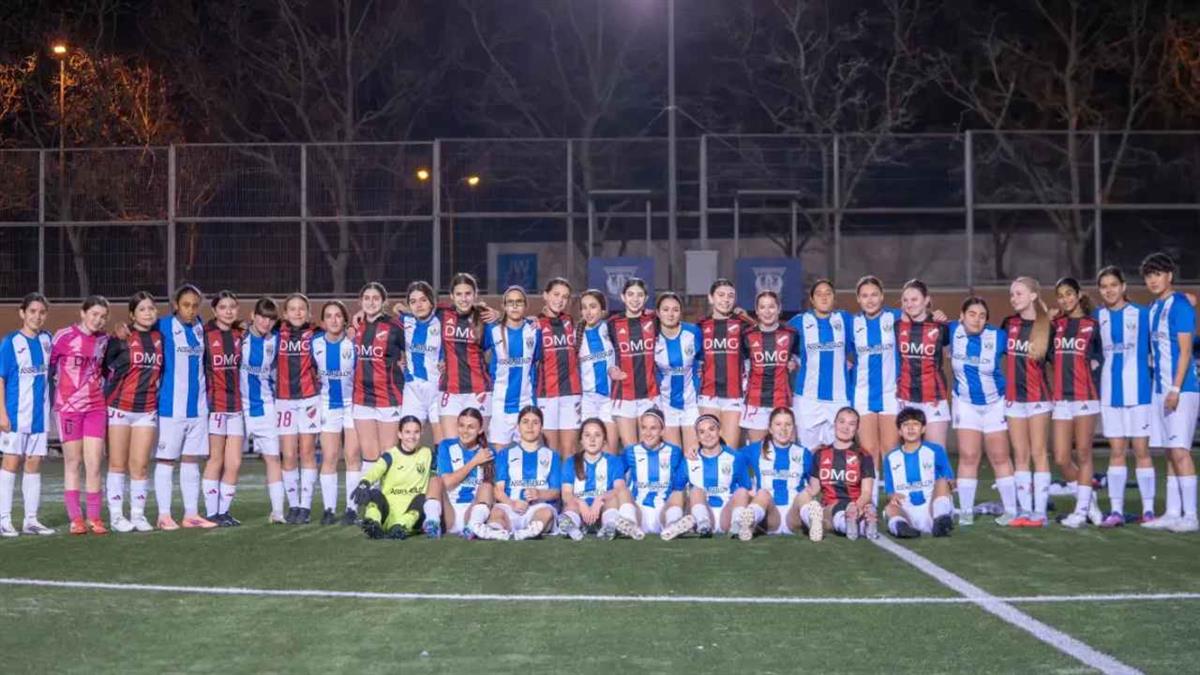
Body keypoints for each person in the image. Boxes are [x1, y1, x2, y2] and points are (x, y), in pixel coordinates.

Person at [1141, 252, 1199, 532]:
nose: (1153, 280)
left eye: (1158, 274)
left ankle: (1191, 516)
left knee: (1180, 451)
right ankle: (1173, 512)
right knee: (1168, 451)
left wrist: (1175, 387)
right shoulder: (1153, 307)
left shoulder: (1180, 306)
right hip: (1159, 390)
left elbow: (1186, 351)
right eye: (1149, 275)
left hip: (1182, 389)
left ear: (1169, 276)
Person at [1094, 266, 1156, 526]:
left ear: (1123, 286)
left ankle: (1149, 510)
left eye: (1113, 285)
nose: (1109, 290)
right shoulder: (1098, 317)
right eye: (1104, 286)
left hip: (1140, 391)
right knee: (1117, 451)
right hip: (1110, 393)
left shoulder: (1143, 314)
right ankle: (1116, 510)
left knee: (1141, 450)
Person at [950, 297, 1018, 526]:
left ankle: (1011, 509)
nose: (976, 320)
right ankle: (966, 511)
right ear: (961, 315)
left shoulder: (998, 337)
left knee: (1000, 456)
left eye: (981, 316)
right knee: (969, 456)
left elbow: (1024, 349)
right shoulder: (951, 331)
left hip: (994, 403)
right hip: (966, 403)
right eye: (971, 314)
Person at [153, 285, 214, 530]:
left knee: (191, 460)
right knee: (166, 460)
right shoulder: (163, 326)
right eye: (186, 305)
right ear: (176, 305)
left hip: (198, 408)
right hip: (171, 408)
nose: (191, 310)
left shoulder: (200, 327)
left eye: (194, 305)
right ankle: (164, 515)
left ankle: (191, 514)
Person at [102, 292, 162, 532]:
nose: (148, 313)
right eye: (142, 309)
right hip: (120, 407)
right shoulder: (122, 337)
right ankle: (117, 516)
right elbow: (106, 366)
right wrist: (118, 333)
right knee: (117, 464)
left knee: (140, 465)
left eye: (151, 308)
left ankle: (137, 515)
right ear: (132, 314)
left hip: (147, 409)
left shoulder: (161, 337)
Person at [50, 296, 111, 534]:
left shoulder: (104, 340)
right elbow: (49, 367)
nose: (98, 320)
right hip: (68, 409)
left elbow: (105, 368)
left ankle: (95, 517)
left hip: (95, 407)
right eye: (94, 314)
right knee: (73, 462)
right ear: (83, 313)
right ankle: (76, 519)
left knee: (94, 463)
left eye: (103, 316)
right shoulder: (63, 336)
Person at [1050, 278, 1104, 528]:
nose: (1065, 299)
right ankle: (1089, 499)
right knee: (1061, 456)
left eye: (1069, 294)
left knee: (1083, 453)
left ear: (1079, 294)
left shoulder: (1093, 325)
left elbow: (1100, 359)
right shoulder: (1056, 324)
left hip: (1085, 396)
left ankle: (1081, 511)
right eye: (1060, 295)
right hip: (1061, 397)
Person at [0, 294, 55, 536]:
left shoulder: (47, 340)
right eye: (32, 311)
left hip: (39, 417)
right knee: (11, 463)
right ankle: (4, 519)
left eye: (41, 312)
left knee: (34, 464)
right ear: (22, 313)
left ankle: (30, 520)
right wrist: (1, 413)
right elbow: (0, 380)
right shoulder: (10, 342)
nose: (37, 316)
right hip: (15, 414)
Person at [1001, 277, 1054, 528]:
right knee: (1020, 455)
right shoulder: (1008, 324)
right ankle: (1024, 510)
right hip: (1013, 399)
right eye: (1012, 294)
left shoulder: (1047, 326)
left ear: (1033, 295)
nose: (1014, 298)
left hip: (1038, 399)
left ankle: (1040, 512)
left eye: (1019, 293)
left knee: (1038, 453)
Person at [478, 406, 562, 541]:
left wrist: (539, 494)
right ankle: (496, 530)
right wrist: (512, 503)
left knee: (546, 514)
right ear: (518, 426)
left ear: (541, 427)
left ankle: (529, 531)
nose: (530, 427)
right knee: (496, 512)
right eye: (525, 422)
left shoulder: (552, 456)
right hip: (510, 506)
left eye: (535, 422)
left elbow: (556, 491)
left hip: (537, 507)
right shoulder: (505, 454)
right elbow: (498, 491)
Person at [850, 276, 902, 491]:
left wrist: (936, 313)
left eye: (873, 295)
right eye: (864, 296)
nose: (869, 300)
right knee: (869, 450)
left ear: (882, 296)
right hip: (862, 394)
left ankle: (894, 502)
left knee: (890, 449)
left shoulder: (896, 317)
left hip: (891, 393)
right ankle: (869, 504)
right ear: (858, 300)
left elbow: (923, 320)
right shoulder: (852, 323)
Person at [789, 279, 855, 449]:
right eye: (819, 294)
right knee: (807, 452)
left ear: (834, 297)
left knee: (838, 452)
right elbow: (779, 341)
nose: (824, 298)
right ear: (811, 299)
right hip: (807, 399)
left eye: (828, 294)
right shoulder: (798, 322)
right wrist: (790, 360)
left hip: (839, 398)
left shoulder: (845, 319)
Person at [352, 283, 405, 489]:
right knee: (369, 455)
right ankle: (372, 503)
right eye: (367, 298)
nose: (371, 302)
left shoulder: (394, 326)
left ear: (384, 302)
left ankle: (390, 501)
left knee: (388, 453)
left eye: (376, 298)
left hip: (389, 398)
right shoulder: (355, 327)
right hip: (362, 399)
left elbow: (414, 340)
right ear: (360, 302)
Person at [276, 293, 322, 524]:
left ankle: (305, 506)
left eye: (301, 308)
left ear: (308, 312)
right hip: (284, 400)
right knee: (289, 454)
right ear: (285, 314)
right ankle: (292, 505)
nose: (297, 312)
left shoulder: (316, 334)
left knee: (307, 452)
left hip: (309, 400)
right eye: (292, 309)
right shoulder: (276, 334)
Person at [799, 407, 878, 541]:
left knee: (834, 518)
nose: (846, 427)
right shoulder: (820, 454)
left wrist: (855, 507)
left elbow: (866, 493)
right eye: (842, 422)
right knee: (828, 512)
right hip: (831, 506)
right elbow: (814, 489)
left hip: (855, 504)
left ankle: (855, 521)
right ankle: (862, 524)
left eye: (851, 424)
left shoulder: (864, 456)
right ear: (834, 423)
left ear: (857, 428)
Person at [558, 418, 644, 540]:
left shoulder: (613, 461)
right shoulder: (570, 462)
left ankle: (609, 525)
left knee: (612, 500)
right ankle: (571, 526)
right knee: (571, 504)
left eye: (597, 435)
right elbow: (566, 494)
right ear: (581, 440)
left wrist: (600, 498)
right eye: (587, 435)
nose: (592, 439)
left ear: (604, 440)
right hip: (581, 510)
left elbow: (620, 488)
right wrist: (581, 503)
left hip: (602, 510)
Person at [240, 298, 286, 523]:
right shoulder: (239, 338)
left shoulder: (276, 341)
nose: (266, 322)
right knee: (228, 461)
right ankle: (218, 511)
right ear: (252, 315)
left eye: (270, 319)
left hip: (266, 405)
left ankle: (277, 512)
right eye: (262, 316)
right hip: (239, 407)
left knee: (272, 458)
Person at [349, 416, 432, 539]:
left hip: (412, 519)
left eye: (416, 432)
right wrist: (364, 483)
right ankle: (373, 524)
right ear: (399, 434)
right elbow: (375, 471)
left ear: (421, 433)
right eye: (407, 432)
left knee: (423, 498)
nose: (412, 437)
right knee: (374, 493)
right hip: (387, 514)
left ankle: (400, 527)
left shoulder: (427, 454)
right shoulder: (390, 456)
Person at [202, 291, 245, 527]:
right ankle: (211, 513)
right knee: (215, 459)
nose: (228, 311)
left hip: (236, 407)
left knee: (234, 463)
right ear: (214, 311)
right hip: (215, 407)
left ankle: (224, 512)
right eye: (223, 307)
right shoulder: (205, 335)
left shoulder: (241, 334)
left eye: (232, 307)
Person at [881, 407, 955, 538]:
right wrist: (892, 496)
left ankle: (940, 521)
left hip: (931, 507)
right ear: (899, 431)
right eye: (906, 425)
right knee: (890, 508)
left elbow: (949, 480)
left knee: (942, 482)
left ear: (923, 429)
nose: (910, 428)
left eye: (915, 424)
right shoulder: (890, 457)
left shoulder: (935, 450)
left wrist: (949, 483)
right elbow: (889, 491)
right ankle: (901, 527)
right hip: (907, 508)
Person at [435, 273, 493, 440]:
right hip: (449, 390)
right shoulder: (442, 314)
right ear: (452, 296)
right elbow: (417, 312)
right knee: (452, 445)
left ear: (475, 295)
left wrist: (497, 315)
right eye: (459, 294)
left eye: (468, 294)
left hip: (479, 391)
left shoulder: (484, 318)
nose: (464, 299)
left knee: (478, 445)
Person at [739, 407, 813, 538]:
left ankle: (813, 522)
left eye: (788, 425)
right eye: (778, 424)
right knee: (762, 493)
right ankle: (749, 521)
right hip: (768, 515)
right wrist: (747, 489)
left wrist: (810, 492)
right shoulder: (756, 450)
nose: (783, 429)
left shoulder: (804, 453)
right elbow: (727, 458)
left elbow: (814, 483)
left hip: (793, 515)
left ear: (793, 428)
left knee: (804, 495)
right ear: (770, 429)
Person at [895, 279, 952, 447]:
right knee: (909, 455)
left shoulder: (941, 326)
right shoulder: (897, 326)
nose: (909, 304)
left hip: (934, 399)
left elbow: (951, 353)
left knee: (936, 455)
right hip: (905, 398)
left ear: (926, 300)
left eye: (914, 299)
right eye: (905, 300)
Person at [314, 300, 356, 525]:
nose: (333, 319)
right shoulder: (314, 344)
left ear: (345, 320)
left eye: (338, 315)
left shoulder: (354, 345)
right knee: (329, 457)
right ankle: (329, 509)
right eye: (328, 316)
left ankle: (352, 508)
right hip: (328, 404)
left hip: (352, 404)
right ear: (322, 322)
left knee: (352, 456)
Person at [697, 278, 753, 447]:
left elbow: (763, 339)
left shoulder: (743, 325)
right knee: (708, 446)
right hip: (708, 395)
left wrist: (748, 318)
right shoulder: (700, 326)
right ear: (711, 298)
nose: (726, 299)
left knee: (729, 450)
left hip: (734, 396)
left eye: (730, 296)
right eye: (721, 295)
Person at [423, 407, 494, 539]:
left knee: (487, 486)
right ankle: (432, 523)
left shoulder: (488, 452)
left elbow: (491, 492)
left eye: (471, 427)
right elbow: (447, 483)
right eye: (461, 426)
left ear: (480, 430)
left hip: (472, 511)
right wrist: (474, 461)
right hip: (448, 512)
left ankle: (473, 527)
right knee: (435, 480)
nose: (465, 431)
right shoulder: (446, 446)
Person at [623, 408, 692, 540]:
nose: (648, 433)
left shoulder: (675, 452)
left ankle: (673, 525)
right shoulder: (630, 452)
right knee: (620, 489)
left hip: (664, 510)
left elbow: (682, 481)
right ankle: (629, 524)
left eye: (653, 428)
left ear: (663, 431)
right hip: (638, 511)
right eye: (644, 428)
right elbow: (614, 476)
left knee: (678, 492)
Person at [740, 291, 799, 443]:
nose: (767, 312)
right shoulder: (747, 335)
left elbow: (800, 360)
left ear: (779, 309)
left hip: (783, 401)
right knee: (758, 454)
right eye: (763, 307)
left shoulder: (791, 334)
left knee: (785, 452)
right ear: (757, 311)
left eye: (771, 307)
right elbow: (743, 367)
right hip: (755, 403)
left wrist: (793, 363)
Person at [608, 278, 660, 448]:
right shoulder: (612, 323)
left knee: (649, 447)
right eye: (630, 294)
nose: (635, 299)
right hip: (624, 395)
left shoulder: (654, 320)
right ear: (623, 297)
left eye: (640, 295)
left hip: (650, 394)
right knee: (631, 451)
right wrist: (610, 370)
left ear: (645, 298)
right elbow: (603, 353)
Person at [484, 286, 538, 448]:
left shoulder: (535, 330)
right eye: (510, 302)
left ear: (526, 306)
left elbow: (540, 359)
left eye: (519, 302)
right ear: (504, 306)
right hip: (500, 403)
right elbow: (476, 353)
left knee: (528, 452)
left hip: (526, 401)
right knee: (499, 457)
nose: (514, 306)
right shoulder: (492, 330)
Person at [534, 278, 583, 456]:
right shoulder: (535, 325)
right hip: (547, 395)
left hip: (571, 394)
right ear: (545, 295)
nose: (560, 300)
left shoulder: (570, 322)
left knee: (570, 450)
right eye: (556, 294)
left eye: (565, 296)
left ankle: (569, 484)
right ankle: (552, 485)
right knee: (550, 451)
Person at [684, 415, 753, 539]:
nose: (707, 435)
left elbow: (746, 488)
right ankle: (703, 526)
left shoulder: (736, 457)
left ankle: (736, 527)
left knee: (742, 492)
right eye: (702, 432)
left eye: (711, 429)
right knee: (695, 490)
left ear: (719, 431)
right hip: (703, 511)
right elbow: (676, 490)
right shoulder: (689, 460)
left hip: (726, 514)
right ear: (697, 437)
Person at [654, 292, 702, 451]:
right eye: (665, 309)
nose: (670, 314)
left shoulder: (693, 332)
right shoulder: (652, 337)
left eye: (675, 309)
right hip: (666, 404)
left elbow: (703, 360)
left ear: (681, 312)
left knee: (693, 456)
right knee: (672, 456)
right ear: (658, 312)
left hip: (691, 404)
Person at [398, 281, 443, 443]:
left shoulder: (443, 320)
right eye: (413, 301)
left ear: (432, 301)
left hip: (438, 388)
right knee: (408, 439)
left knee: (442, 442)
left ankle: (441, 467)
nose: (419, 305)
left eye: (423, 300)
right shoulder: (403, 321)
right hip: (413, 389)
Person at [577, 289, 617, 451]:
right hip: (588, 400)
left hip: (610, 399)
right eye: (584, 307)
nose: (588, 311)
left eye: (593, 306)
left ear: (602, 310)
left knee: (610, 450)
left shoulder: (612, 329)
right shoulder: (576, 334)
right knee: (588, 450)